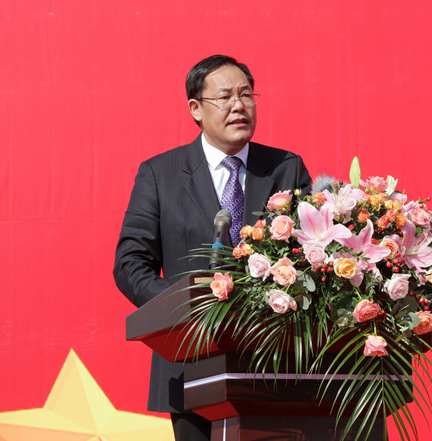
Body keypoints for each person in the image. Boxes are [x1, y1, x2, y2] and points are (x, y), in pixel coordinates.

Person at [114, 55, 312, 441]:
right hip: (191, 362)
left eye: (246, 95)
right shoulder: (160, 174)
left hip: (275, 361)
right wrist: (187, 308)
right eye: (225, 97)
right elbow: (130, 264)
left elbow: (309, 250)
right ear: (196, 109)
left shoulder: (285, 168)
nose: (239, 105)